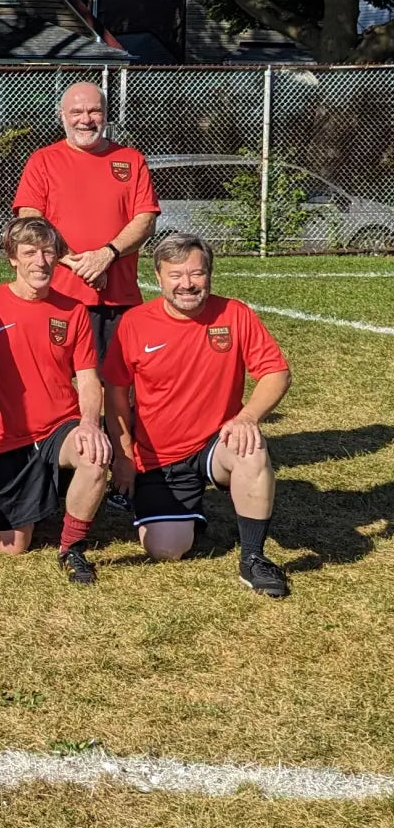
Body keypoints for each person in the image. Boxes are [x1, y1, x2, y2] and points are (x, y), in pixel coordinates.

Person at [103, 234, 292, 597]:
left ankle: (253, 557)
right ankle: (188, 513)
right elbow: (114, 393)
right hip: (158, 457)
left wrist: (247, 416)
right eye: (176, 275)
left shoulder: (234, 314)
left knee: (251, 448)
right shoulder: (134, 323)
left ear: (209, 275)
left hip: (214, 443)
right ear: (158, 277)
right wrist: (124, 455)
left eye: (196, 274)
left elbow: (275, 373)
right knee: (167, 550)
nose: (187, 284)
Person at [0, 218, 112, 583]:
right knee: (12, 547)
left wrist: (90, 423)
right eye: (29, 252)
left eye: (48, 252)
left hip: (61, 425)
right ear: (12, 258)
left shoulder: (73, 310)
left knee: (93, 453)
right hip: (5, 436)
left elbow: (89, 379)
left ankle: (71, 547)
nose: (40, 261)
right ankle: (43, 493)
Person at [13, 82, 160, 359]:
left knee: (117, 389)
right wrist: (79, 263)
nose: (85, 119)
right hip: (56, 295)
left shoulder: (131, 159)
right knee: (55, 385)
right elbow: (30, 218)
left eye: (94, 111)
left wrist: (107, 255)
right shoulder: (43, 160)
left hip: (117, 298)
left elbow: (145, 219)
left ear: (105, 114)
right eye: (76, 111)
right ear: (62, 115)